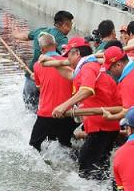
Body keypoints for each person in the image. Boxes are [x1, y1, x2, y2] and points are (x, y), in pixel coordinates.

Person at [51, 37, 122, 179]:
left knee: (86, 163)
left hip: (102, 126)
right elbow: (71, 75)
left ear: (77, 53)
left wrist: (64, 105)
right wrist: (54, 64)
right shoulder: (88, 67)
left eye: (68, 55)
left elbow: (87, 90)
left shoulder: (88, 68)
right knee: (98, 164)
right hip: (104, 125)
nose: (67, 59)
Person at [28, 32, 76, 151]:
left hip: (47, 113)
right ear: (55, 45)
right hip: (67, 112)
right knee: (65, 145)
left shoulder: (38, 65)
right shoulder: (69, 63)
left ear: (41, 49)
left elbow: (40, 88)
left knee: (34, 146)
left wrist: (37, 78)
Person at [21, 10, 74, 109]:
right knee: (46, 105)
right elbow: (66, 58)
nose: (71, 28)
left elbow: (24, 36)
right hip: (46, 78)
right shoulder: (62, 38)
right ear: (65, 25)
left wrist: (14, 34)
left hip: (31, 74)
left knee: (29, 108)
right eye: (71, 25)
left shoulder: (40, 30)